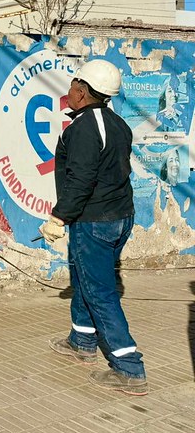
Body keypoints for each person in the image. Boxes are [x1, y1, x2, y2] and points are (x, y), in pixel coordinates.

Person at [39, 58, 147, 396]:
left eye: (73, 85)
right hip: (119, 217)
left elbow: (81, 180)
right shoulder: (118, 124)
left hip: (94, 221)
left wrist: (60, 217)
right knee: (84, 276)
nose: (69, 90)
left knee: (100, 291)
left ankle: (129, 368)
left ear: (83, 92)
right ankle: (82, 340)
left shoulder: (84, 128)